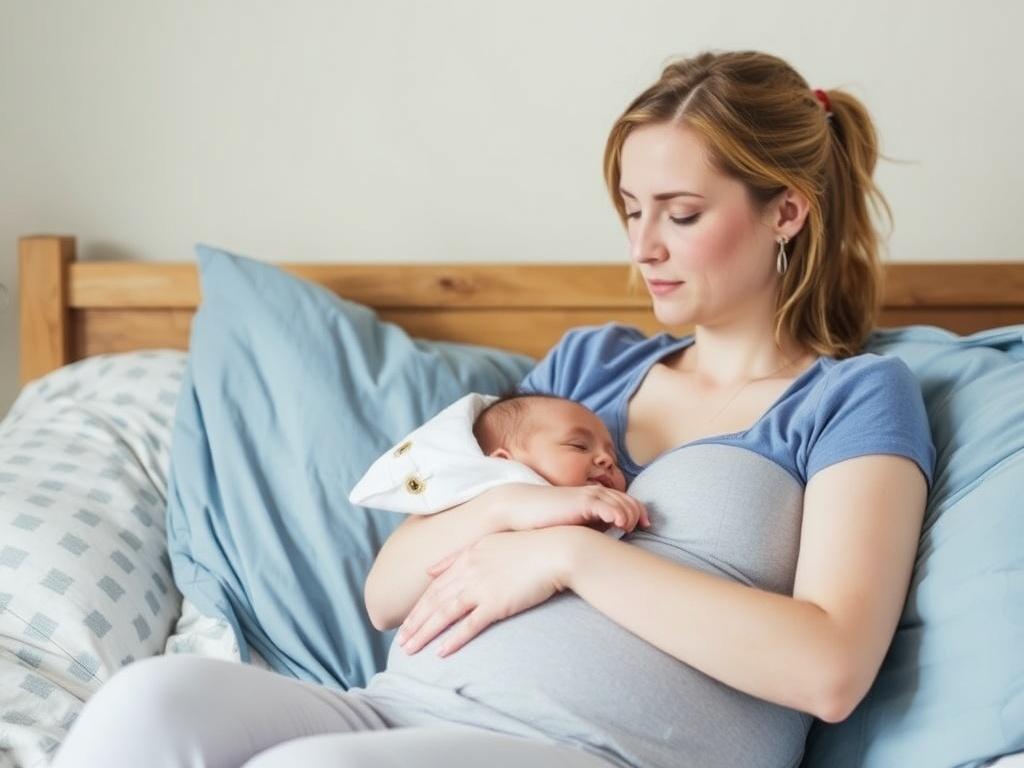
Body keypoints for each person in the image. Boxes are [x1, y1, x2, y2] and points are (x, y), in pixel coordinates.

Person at [52, 49, 934, 768]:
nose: (643, 247)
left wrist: (567, 557)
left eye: (682, 214)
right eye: (632, 210)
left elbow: (828, 669)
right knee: (149, 701)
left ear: (786, 211)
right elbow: (388, 592)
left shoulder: (852, 397)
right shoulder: (588, 365)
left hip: (597, 751)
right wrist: (512, 511)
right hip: (398, 710)